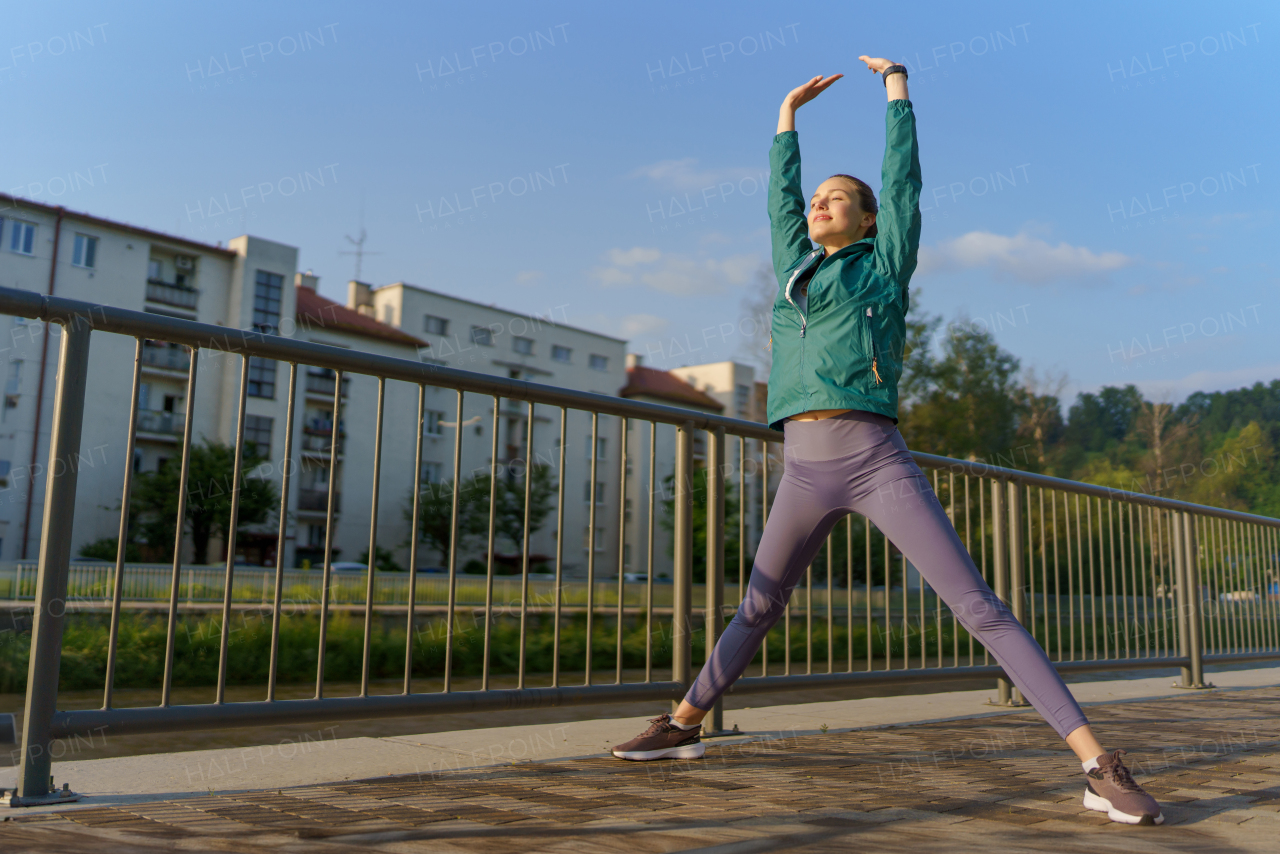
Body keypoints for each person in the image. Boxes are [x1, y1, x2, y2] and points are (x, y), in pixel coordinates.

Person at [610, 56, 1164, 827]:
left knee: (977, 607)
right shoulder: (794, 271)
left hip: (872, 459)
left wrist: (896, 91)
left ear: (867, 219)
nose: (819, 206)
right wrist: (785, 120)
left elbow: (902, 184)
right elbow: (777, 204)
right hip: (801, 466)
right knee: (759, 603)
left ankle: (1098, 764)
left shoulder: (883, 267)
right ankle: (685, 724)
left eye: (837, 199)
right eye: (817, 200)